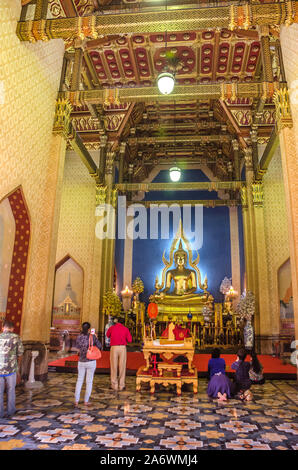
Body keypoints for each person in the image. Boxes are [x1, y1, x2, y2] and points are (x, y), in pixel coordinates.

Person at [74, 322, 102, 407]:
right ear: (89, 329)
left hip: (81, 361)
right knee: (89, 381)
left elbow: (77, 347)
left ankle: (76, 401)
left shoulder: (79, 337)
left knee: (79, 380)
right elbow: (100, 346)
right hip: (91, 361)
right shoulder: (92, 336)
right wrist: (96, 338)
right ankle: (86, 401)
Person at [0, 320, 24, 418]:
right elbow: (20, 354)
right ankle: (11, 411)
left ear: (3, 328)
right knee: (11, 389)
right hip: (11, 369)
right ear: (12, 328)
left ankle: (0, 413)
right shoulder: (16, 337)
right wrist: (18, 368)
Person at [106, 317, 132, 391]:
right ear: (124, 322)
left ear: (117, 321)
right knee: (122, 366)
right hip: (122, 348)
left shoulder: (112, 328)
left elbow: (107, 335)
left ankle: (114, 385)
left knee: (113, 366)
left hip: (114, 347)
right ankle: (121, 385)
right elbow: (130, 340)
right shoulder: (125, 329)